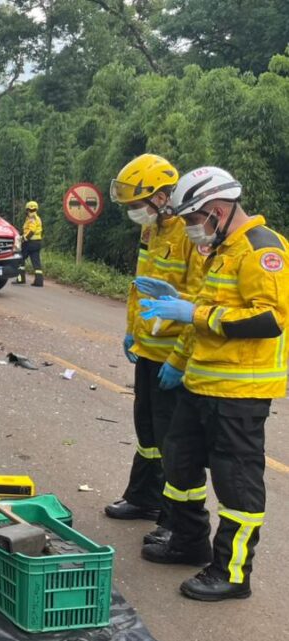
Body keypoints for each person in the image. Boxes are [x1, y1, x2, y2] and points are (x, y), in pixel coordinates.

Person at [139, 167, 289, 601]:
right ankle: (188, 541)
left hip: (239, 395)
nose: (191, 229)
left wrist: (194, 313)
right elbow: (208, 312)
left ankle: (232, 572)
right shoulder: (220, 251)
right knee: (179, 464)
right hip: (201, 384)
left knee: (237, 487)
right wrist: (179, 350)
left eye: (193, 220)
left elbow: (269, 320)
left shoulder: (263, 250)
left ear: (217, 211)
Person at [105, 154, 204, 550]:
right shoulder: (154, 231)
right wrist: (132, 331)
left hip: (173, 357)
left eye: (138, 203)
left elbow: (197, 299)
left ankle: (172, 520)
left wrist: (180, 356)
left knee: (172, 442)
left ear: (163, 196)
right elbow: (140, 287)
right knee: (147, 429)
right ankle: (143, 497)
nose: (134, 212)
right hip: (148, 349)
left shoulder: (189, 232)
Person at [16, 201, 44, 286]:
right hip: (37, 243)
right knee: (36, 263)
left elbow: (31, 230)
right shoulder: (37, 218)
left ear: (27, 209)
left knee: (20, 259)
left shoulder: (32, 218)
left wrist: (23, 238)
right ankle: (39, 282)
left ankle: (21, 279)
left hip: (29, 243)